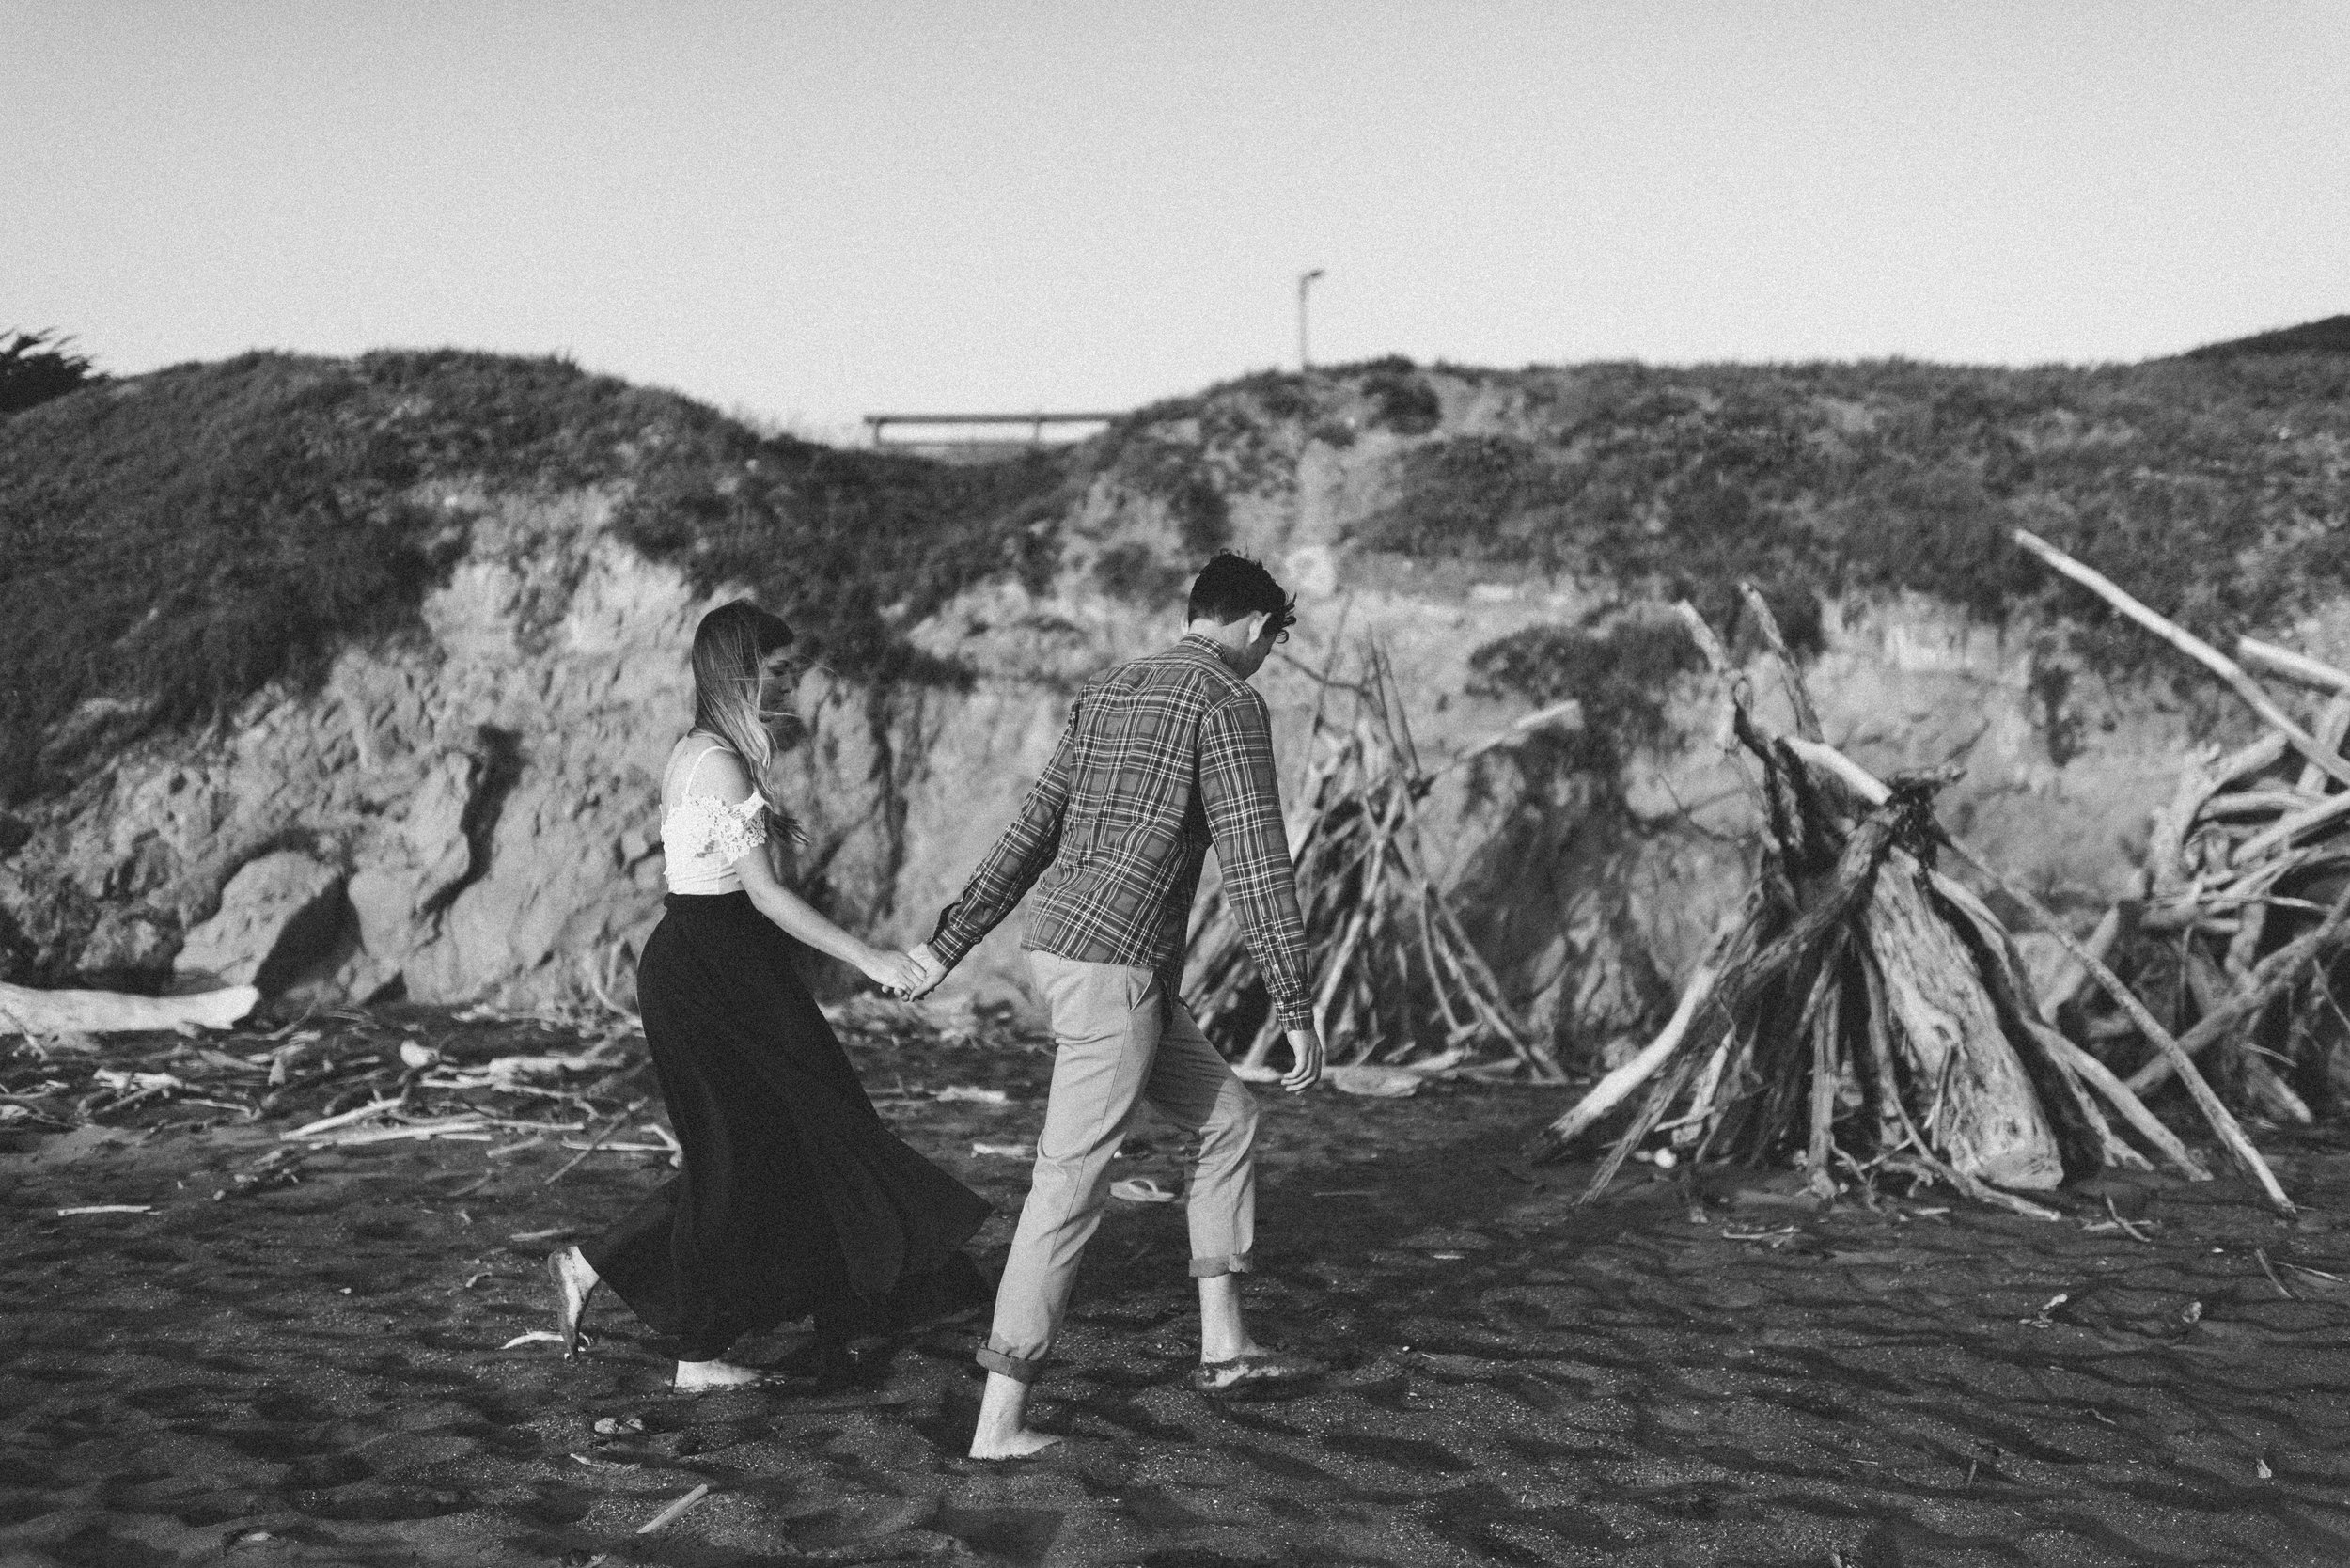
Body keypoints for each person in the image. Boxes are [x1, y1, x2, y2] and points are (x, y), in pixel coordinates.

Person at [909, 551, 1325, 1459]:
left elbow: (1034, 825)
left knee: (1229, 1118)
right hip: (1118, 969)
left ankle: (1224, 1343)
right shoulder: (1228, 701)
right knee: (1069, 1182)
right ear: (1258, 627)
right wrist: (1294, 999)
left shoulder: (1112, 689)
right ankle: (1000, 1421)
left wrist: (950, 943)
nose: (1267, 653)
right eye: (1273, 638)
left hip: (1065, 946)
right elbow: (1256, 862)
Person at [548, 600, 992, 1392]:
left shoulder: (704, 751)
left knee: (775, 1144)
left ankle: (604, 1270)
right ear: (740, 673)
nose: (792, 688)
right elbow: (765, 898)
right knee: (758, 1149)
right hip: (714, 969)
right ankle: (698, 1351)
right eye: (779, 673)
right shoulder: (717, 762)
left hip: (718, 964)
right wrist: (874, 959)